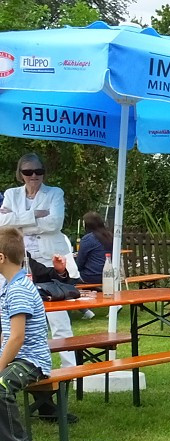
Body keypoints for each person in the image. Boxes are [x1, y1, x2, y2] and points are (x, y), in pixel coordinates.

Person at [0, 152, 77, 421]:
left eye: (38, 171)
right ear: (19, 173)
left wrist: (19, 219)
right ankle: (41, 400)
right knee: (17, 328)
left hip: (48, 263)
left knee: (59, 322)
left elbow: (55, 222)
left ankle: (69, 381)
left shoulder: (55, 192)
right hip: (19, 263)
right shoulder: (11, 194)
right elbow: (2, 224)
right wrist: (36, 216)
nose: (34, 177)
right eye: (28, 172)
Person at [0, 226, 49, 441]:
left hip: (31, 361)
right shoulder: (8, 287)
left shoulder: (19, 289)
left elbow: (17, 338)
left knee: (0, 387)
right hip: (15, 358)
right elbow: (5, 334)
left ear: (1, 258)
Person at [73, 211, 111, 285]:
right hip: (110, 274)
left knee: (68, 277)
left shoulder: (88, 239)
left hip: (91, 276)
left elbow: (79, 264)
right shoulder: (111, 237)